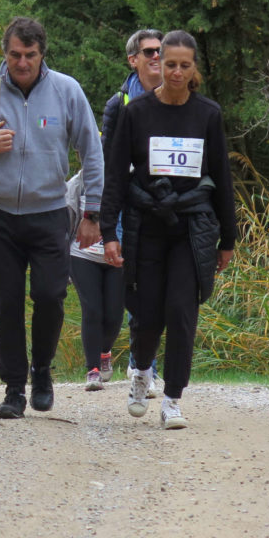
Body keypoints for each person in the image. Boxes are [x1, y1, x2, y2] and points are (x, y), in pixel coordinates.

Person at [0, 16, 104, 419]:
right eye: (15, 55)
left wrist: (93, 212)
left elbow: (92, 152)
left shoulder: (66, 91)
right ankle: (14, 389)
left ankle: (42, 372)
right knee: (7, 301)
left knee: (50, 296)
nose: (22, 63)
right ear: (4, 53)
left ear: (41, 54)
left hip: (51, 212)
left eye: (30, 55)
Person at [101, 30, 237, 429]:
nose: (176, 72)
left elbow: (222, 178)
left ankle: (173, 397)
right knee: (147, 314)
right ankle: (141, 371)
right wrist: (109, 231)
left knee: (181, 311)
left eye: (184, 65)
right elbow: (116, 176)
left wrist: (228, 238)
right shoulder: (136, 112)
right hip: (146, 224)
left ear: (194, 69)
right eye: (170, 64)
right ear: (158, 64)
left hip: (191, 226)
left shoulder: (207, 114)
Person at [101, 29, 164, 394]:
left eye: (160, 50)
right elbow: (108, 164)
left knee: (166, 286)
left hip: (169, 208)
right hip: (130, 208)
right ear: (133, 59)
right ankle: (144, 366)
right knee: (139, 284)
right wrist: (104, 218)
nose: (157, 56)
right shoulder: (118, 105)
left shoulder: (179, 99)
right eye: (149, 51)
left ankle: (145, 362)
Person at [65, 172, 123, 391]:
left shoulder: (127, 178)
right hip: (82, 255)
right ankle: (93, 369)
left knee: (114, 315)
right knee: (92, 310)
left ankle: (105, 351)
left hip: (118, 257)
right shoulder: (77, 184)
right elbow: (65, 221)